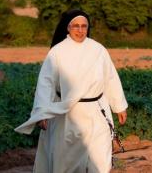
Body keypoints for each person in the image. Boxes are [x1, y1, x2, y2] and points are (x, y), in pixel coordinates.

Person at [15, 9, 128, 173]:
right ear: (67, 28)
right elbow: (46, 83)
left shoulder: (98, 50)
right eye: (76, 26)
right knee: (66, 162)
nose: (80, 30)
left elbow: (110, 77)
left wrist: (118, 106)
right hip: (68, 114)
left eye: (84, 26)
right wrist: (42, 112)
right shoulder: (57, 52)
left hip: (97, 110)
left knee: (101, 159)